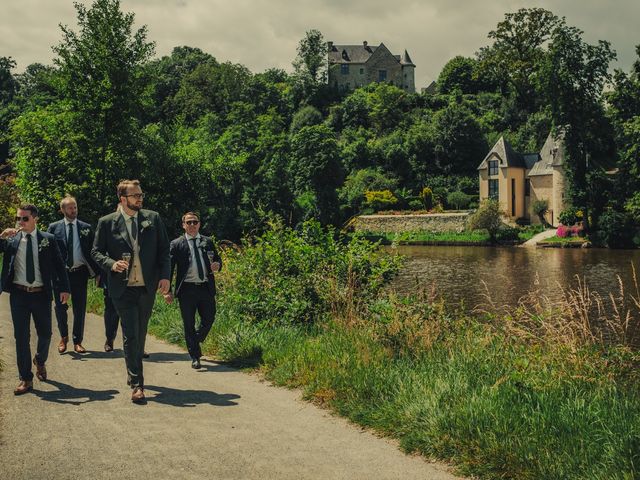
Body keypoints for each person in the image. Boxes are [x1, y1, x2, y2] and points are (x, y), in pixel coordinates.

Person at [91, 180, 170, 404]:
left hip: (146, 287)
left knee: (141, 332)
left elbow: (164, 251)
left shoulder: (152, 219)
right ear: (123, 199)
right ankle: (137, 384)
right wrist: (111, 264)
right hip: (121, 287)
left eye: (141, 195)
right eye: (135, 195)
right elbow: (96, 252)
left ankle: (132, 371)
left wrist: (165, 276)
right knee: (131, 334)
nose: (140, 198)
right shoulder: (107, 222)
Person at [0, 205, 70, 395]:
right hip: (19, 294)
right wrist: (1, 236)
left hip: (41, 294)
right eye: (18, 219)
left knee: (46, 333)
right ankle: (25, 378)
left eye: (25, 219)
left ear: (35, 219)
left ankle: (40, 360)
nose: (20, 223)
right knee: (21, 337)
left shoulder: (48, 239)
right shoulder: (12, 239)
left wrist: (64, 288)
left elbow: (59, 265)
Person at [166, 212, 222, 369]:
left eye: (194, 222)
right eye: (188, 222)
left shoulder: (208, 241)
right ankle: (195, 356)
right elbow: (169, 268)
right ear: (183, 225)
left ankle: (194, 340)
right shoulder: (177, 244)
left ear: (199, 224)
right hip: (187, 290)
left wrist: (218, 265)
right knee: (188, 323)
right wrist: (167, 290)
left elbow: (217, 259)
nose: (192, 225)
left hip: (205, 287)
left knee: (209, 319)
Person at [47, 196, 100, 354]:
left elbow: (94, 251)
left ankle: (78, 341)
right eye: (70, 208)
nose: (73, 210)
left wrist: (98, 273)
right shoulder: (53, 227)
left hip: (79, 273)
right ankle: (63, 337)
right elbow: (48, 252)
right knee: (60, 307)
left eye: (75, 207)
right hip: (60, 275)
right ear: (62, 210)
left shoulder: (86, 227)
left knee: (80, 308)